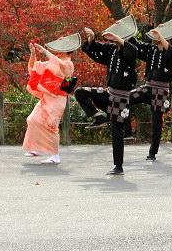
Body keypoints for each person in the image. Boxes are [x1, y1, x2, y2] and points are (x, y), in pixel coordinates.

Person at [75, 16, 138, 175]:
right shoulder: (111, 50)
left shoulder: (130, 50)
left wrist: (117, 37)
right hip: (108, 94)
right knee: (80, 92)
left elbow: (131, 51)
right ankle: (98, 117)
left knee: (117, 132)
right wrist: (91, 38)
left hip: (121, 98)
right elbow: (95, 48)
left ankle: (118, 166)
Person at [23, 34, 79, 164]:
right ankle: (36, 147)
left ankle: (55, 155)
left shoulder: (68, 63)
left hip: (58, 99)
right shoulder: (53, 61)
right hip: (47, 97)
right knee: (32, 120)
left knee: (51, 126)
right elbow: (34, 68)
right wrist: (33, 54)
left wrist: (46, 52)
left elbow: (62, 67)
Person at [128, 19, 172, 162]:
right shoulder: (151, 49)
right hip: (148, 87)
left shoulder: (171, 51)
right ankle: (127, 131)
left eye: (160, 37)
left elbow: (170, 51)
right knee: (125, 98)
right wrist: (127, 31)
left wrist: (160, 34)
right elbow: (136, 45)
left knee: (157, 122)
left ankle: (152, 152)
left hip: (161, 90)